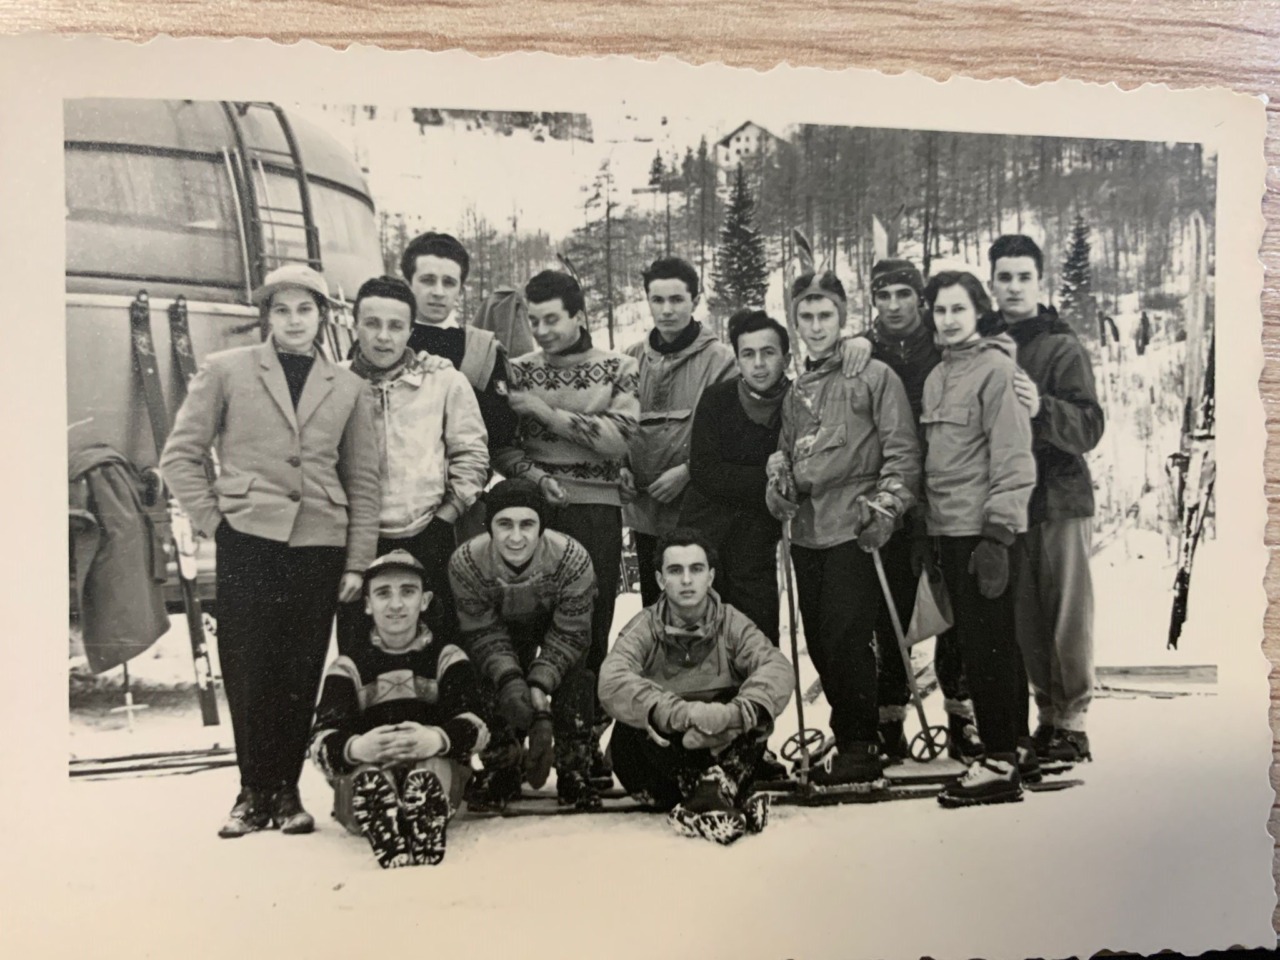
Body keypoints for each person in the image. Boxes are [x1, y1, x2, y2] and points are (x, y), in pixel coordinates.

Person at [160, 263, 381, 838]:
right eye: (281, 310)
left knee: (300, 667)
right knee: (248, 667)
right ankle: (250, 792)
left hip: (318, 546)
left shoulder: (349, 388)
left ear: (323, 316)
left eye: (305, 309)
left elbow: (363, 481)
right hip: (248, 542)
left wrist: (357, 561)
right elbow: (179, 457)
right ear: (267, 316)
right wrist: (216, 524)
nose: (293, 321)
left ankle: (286, 792)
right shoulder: (226, 370)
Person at [765, 271, 920, 789]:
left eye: (825, 315)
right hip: (808, 530)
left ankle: (861, 744)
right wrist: (779, 483)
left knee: (848, 636)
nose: (816, 326)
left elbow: (902, 451)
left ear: (842, 317)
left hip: (855, 525)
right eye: (806, 317)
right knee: (820, 640)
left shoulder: (873, 376)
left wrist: (887, 505)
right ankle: (849, 731)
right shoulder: (795, 392)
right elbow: (788, 452)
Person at [840, 259, 981, 762]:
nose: (894, 305)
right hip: (891, 494)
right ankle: (889, 720)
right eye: (884, 296)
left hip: (945, 491)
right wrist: (853, 341)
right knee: (891, 610)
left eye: (904, 294)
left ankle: (963, 717)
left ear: (920, 299)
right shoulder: (863, 350)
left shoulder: (944, 344)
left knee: (954, 610)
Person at [508, 269, 640, 786]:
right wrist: (536, 477)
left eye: (552, 320)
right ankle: (521, 740)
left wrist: (546, 413)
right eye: (534, 320)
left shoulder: (618, 367)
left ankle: (579, 743)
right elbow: (502, 446)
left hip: (595, 510)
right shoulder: (517, 370)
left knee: (588, 626)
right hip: (534, 512)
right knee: (528, 622)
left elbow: (619, 438)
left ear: (580, 316)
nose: (542, 331)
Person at [917, 272, 1036, 806]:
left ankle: (999, 761)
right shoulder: (938, 375)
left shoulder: (996, 371)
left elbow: (1013, 456)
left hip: (983, 533)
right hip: (949, 530)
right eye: (940, 310)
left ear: (978, 312)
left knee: (990, 648)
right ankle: (1014, 748)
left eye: (958, 309)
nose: (948, 320)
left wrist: (998, 535)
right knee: (982, 644)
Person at [987, 234, 1105, 764]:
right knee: (1028, 619)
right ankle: (1047, 718)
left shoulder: (1061, 345)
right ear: (992, 283)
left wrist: (1043, 408)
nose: (1014, 288)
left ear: (1040, 282)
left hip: (1059, 498)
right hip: (1011, 501)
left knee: (1066, 615)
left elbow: (1089, 425)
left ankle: (1072, 723)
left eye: (1024, 277)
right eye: (1004, 278)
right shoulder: (985, 340)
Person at [599, 528, 794, 845]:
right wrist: (678, 713)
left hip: (720, 741)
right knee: (630, 728)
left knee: (754, 713)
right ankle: (720, 793)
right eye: (676, 570)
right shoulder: (644, 626)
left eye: (696, 569)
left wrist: (735, 714)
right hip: (663, 760)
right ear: (660, 580)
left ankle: (710, 794)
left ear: (711, 577)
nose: (687, 580)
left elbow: (776, 667)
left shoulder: (732, 622)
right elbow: (612, 678)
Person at [335, 275, 489, 655]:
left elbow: (472, 454)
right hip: (358, 540)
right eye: (372, 323)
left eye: (395, 325)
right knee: (361, 652)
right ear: (355, 325)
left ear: (410, 330)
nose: (383, 337)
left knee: (437, 647)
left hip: (427, 532)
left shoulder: (443, 381)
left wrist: (446, 517)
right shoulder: (333, 383)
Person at [310, 551, 490, 868]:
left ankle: (425, 815)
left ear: (425, 600)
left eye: (408, 592)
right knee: (365, 777)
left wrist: (438, 739)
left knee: (432, 768)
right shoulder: (347, 667)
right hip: (372, 761)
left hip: (431, 763)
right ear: (367, 604)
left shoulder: (448, 657)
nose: (396, 604)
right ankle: (381, 814)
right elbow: (320, 742)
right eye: (383, 593)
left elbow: (477, 727)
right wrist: (356, 748)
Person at [447, 479, 601, 809]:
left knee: (577, 676)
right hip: (502, 629)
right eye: (505, 524)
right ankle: (501, 762)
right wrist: (510, 679)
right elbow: (482, 631)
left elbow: (572, 632)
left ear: (541, 528)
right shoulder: (466, 562)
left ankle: (574, 764)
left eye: (527, 524)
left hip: (555, 628)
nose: (516, 537)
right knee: (482, 672)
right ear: (489, 526)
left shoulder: (572, 558)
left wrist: (540, 685)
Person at [399, 232, 564, 530]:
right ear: (408, 283)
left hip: (460, 510)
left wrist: (537, 478)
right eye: (427, 280)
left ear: (461, 290)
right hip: (391, 506)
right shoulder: (384, 345)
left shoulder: (481, 350)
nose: (438, 292)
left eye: (449, 282)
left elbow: (500, 443)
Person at [621, 257, 737, 608]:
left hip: (699, 512)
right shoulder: (630, 359)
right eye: (657, 300)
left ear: (695, 300)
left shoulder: (721, 360)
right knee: (656, 607)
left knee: (700, 607)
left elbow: (731, 435)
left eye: (676, 299)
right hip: (646, 513)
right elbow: (617, 424)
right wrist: (620, 467)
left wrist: (688, 471)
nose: (667, 310)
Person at [679, 309, 789, 646]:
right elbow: (704, 469)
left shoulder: (795, 404)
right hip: (706, 531)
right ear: (737, 360)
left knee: (756, 635)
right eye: (748, 354)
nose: (759, 364)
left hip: (756, 540)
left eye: (768, 353)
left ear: (785, 358)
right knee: (703, 636)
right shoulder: (718, 399)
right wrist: (763, 477)